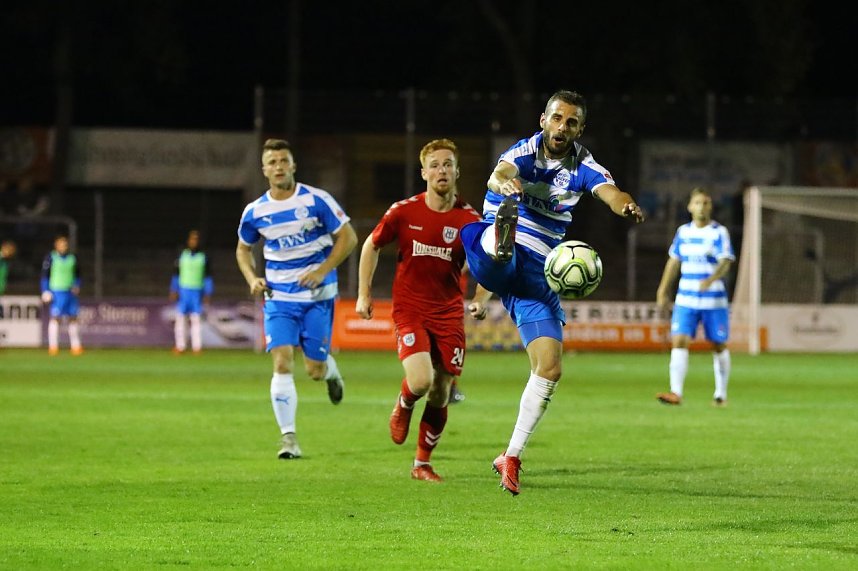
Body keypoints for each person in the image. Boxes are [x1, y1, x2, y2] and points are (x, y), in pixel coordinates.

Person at [460, 90, 645, 495]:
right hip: (493, 242)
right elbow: (499, 174)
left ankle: (510, 454)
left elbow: (611, 193)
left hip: (537, 274)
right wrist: (503, 184)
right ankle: (500, 238)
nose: (563, 127)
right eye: (557, 118)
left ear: (580, 129)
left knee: (549, 367)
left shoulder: (584, 166)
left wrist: (626, 206)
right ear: (544, 119)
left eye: (572, 122)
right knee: (497, 251)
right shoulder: (524, 152)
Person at [355, 138, 488, 483]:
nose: (441, 170)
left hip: (448, 313)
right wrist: (363, 295)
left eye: (448, 164)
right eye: (435, 165)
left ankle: (421, 465)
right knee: (421, 380)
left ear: (458, 171)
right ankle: (403, 402)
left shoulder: (470, 221)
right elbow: (371, 245)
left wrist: (481, 298)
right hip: (410, 308)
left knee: (442, 390)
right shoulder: (404, 212)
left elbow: (489, 266)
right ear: (424, 172)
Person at [235, 138, 357, 460]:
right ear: (264, 170)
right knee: (281, 361)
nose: (278, 167)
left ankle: (330, 373)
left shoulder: (317, 200)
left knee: (313, 369)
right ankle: (289, 439)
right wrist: (253, 278)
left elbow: (349, 237)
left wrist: (323, 269)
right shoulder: (255, 211)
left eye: (283, 161)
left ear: (293, 165)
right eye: (272, 162)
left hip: (318, 296)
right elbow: (243, 249)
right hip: (279, 297)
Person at [655, 187, 735, 407]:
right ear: (690, 207)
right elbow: (674, 262)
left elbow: (726, 261)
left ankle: (720, 395)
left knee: (718, 344)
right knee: (679, 341)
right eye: (698, 203)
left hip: (714, 300)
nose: (702, 207)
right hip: (686, 299)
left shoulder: (719, 232)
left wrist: (710, 280)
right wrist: (663, 289)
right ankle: (676, 393)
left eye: (706, 203)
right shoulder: (683, 232)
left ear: (711, 207)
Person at [170, 229, 213, 354]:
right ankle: (180, 346)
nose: (194, 241)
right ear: (188, 240)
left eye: (196, 239)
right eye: (192, 239)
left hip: (197, 292)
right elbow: (176, 274)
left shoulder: (204, 257)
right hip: (183, 291)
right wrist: (174, 289)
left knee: (196, 320)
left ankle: (197, 347)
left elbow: (208, 276)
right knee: (180, 319)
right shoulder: (182, 255)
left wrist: (207, 292)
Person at [40, 235, 84, 356]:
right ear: (56, 245)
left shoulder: (73, 258)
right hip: (57, 291)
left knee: (73, 318)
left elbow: (78, 275)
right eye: (61, 244)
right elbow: (45, 275)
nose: (63, 246)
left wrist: (77, 285)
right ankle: (53, 346)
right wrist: (45, 290)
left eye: (65, 244)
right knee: (55, 318)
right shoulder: (50, 257)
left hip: (70, 292)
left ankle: (76, 346)